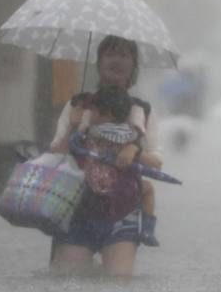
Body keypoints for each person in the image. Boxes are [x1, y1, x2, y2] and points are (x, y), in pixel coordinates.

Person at [48, 35, 162, 277]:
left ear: (134, 65)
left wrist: (134, 150)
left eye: (124, 55)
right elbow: (54, 156)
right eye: (110, 54)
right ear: (99, 62)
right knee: (67, 279)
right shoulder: (78, 105)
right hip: (77, 211)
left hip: (122, 212)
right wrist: (73, 126)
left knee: (119, 281)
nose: (116, 61)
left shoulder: (142, 110)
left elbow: (156, 163)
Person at [75, 85, 162, 246]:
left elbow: (76, 146)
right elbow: (154, 162)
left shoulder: (92, 132)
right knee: (148, 189)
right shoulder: (128, 135)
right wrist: (134, 146)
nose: (90, 114)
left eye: (93, 111)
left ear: (102, 114)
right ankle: (147, 230)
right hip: (121, 192)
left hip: (92, 191)